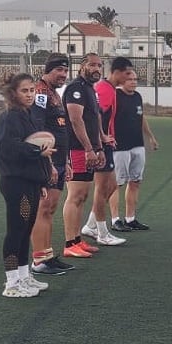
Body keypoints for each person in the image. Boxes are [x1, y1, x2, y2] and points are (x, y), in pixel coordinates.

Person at [0, 69, 55, 298]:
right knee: (16, 231)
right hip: (15, 183)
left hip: (29, 182)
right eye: (24, 91)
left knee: (26, 229)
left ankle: (23, 275)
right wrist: (39, 150)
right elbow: (8, 148)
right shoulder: (9, 117)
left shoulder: (26, 114)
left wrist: (40, 179)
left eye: (32, 90)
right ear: (12, 93)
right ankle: (11, 282)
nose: (30, 94)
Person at [31, 54, 75, 276]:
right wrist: (48, 161)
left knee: (50, 209)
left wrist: (65, 161)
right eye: (59, 70)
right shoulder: (40, 93)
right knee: (43, 208)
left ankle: (47, 255)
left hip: (58, 160)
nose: (63, 75)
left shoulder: (54, 94)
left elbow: (60, 130)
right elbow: (38, 129)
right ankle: (39, 260)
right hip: (46, 161)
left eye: (66, 71)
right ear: (48, 70)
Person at [82, 57, 132, 246]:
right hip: (101, 145)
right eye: (127, 73)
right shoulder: (104, 89)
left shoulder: (111, 89)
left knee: (111, 186)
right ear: (117, 72)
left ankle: (90, 225)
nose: (129, 77)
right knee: (103, 187)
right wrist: (100, 142)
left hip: (107, 143)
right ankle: (102, 233)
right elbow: (96, 117)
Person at [62, 54, 106, 258]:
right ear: (82, 66)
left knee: (83, 196)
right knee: (75, 195)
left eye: (99, 65)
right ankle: (70, 243)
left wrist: (99, 147)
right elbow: (75, 120)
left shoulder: (90, 89)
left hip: (89, 148)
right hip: (76, 148)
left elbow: (94, 119)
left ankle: (77, 239)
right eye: (92, 64)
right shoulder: (76, 88)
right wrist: (89, 148)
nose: (97, 68)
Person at [110, 70, 158, 230]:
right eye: (130, 79)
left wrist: (150, 136)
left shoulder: (137, 96)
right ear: (122, 80)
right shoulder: (115, 95)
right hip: (119, 146)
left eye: (135, 79)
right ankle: (115, 219)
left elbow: (141, 117)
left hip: (137, 144)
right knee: (116, 183)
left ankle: (130, 218)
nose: (133, 82)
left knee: (135, 181)